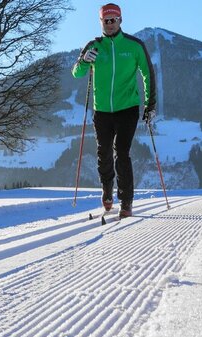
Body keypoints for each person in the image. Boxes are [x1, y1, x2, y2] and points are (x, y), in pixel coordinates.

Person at [72, 3, 156, 218]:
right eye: (105, 21)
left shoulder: (134, 45)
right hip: (102, 111)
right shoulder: (93, 46)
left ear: (120, 20)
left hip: (127, 108)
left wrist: (150, 104)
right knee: (104, 154)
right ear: (101, 22)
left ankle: (126, 201)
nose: (109, 24)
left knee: (122, 153)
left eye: (113, 20)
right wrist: (83, 61)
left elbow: (148, 73)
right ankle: (107, 191)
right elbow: (77, 73)